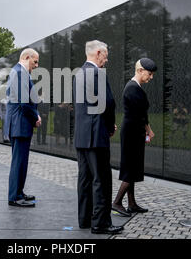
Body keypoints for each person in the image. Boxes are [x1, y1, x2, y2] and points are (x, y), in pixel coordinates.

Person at [73, 40, 122, 235]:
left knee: (85, 178)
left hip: (82, 136)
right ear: (99, 53)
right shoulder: (97, 74)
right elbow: (108, 103)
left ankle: (85, 219)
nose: (107, 59)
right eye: (106, 54)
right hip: (96, 135)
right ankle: (100, 223)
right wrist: (110, 126)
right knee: (101, 179)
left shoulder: (78, 74)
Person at [112, 58, 156, 216]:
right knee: (131, 168)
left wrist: (147, 130)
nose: (151, 77)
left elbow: (142, 114)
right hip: (132, 132)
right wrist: (148, 130)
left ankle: (131, 203)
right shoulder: (132, 88)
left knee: (134, 167)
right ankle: (117, 202)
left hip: (134, 131)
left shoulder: (135, 87)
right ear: (140, 71)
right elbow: (140, 115)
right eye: (149, 74)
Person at [4, 48, 41, 207]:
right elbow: (24, 103)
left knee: (21, 161)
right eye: (35, 61)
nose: (36, 65)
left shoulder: (17, 72)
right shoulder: (20, 73)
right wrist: (36, 118)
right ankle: (14, 197)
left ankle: (19, 192)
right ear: (27, 57)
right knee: (18, 162)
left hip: (20, 123)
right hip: (20, 123)